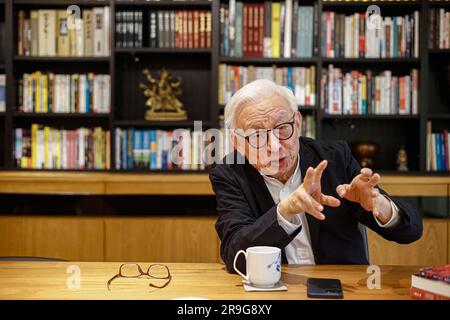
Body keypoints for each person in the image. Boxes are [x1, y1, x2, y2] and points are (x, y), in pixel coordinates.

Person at [209, 79, 422, 273]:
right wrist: (285, 211)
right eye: (257, 135)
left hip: (343, 289)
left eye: (283, 128)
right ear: (237, 142)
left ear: (298, 123)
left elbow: (411, 232)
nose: (274, 147)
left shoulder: (335, 158)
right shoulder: (229, 173)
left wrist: (380, 205)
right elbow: (236, 256)